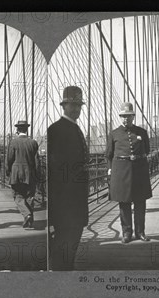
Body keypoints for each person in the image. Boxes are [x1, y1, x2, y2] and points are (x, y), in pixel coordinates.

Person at [48, 86, 89, 270]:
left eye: (79, 106)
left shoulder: (73, 128)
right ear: (63, 106)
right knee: (64, 245)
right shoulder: (56, 130)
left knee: (72, 244)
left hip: (76, 199)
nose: (76, 109)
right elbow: (54, 170)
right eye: (72, 105)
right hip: (65, 202)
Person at [106, 102, 152, 243]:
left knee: (140, 203)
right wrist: (110, 169)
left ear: (133, 116)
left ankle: (140, 232)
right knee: (124, 203)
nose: (125, 119)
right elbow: (108, 154)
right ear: (120, 117)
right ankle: (126, 233)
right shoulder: (114, 134)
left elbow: (147, 150)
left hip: (139, 171)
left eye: (128, 116)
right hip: (121, 172)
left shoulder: (142, 132)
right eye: (123, 116)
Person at [6, 120, 39, 229]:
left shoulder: (13, 142)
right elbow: (36, 161)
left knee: (17, 195)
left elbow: (9, 159)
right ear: (26, 129)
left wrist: (8, 171)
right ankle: (29, 222)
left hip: (16, 173)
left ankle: (26, 214)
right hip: (30, 173)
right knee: (29, 196)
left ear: (17, 130)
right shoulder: (33, 142)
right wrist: (37, 174)